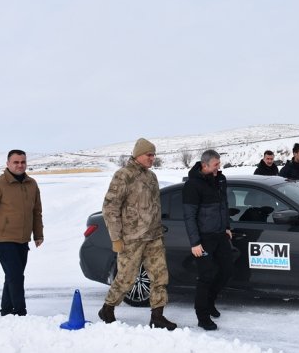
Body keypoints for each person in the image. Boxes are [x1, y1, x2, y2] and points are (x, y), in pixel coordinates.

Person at [97, 138, 176, 330]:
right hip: (132, 238)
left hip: (153, 237)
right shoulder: (123, 176)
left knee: (160, 276)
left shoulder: (151, 177)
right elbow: (110, 208)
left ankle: (157, 316)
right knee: (126, 277)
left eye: (153, 155)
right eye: (149, 155)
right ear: (138, 154)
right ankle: (107, 309)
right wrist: (115, 237)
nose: (152, 158)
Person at [0, 149, 43, 316]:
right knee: (16, 277)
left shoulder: (32, 184)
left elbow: (36, 211)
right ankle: (21, 313)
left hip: (23, 239)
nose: (20, 165)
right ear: (8, 164)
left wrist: (38, 234)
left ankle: (6, 312)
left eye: (23, 162)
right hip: (4, 238)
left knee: (13, 276)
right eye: (16, 162)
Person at [183, 149, 234, 331]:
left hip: (220, 235)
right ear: (204, 165)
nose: (218, 167)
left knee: (226, 270)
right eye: (215, 164)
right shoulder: (193, 185)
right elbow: (189, 216)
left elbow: (224, 205)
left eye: (219, 164)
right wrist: (195, 243)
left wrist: (227, 226)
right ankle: (202, 316)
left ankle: (210, 302)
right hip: (203, 239)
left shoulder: (220, 179)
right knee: (206, 276)